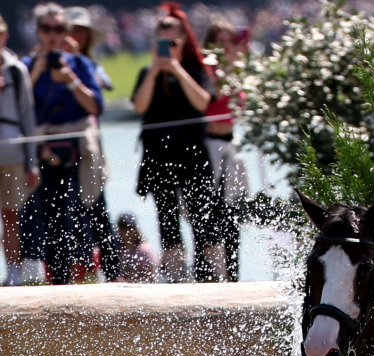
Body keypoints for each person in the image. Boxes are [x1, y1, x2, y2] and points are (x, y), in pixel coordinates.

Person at [131, 3, 224, 282]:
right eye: (162, 40)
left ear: (183, 40)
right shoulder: (147, 72)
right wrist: (156, 70)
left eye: (172, 41)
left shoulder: (196, 69)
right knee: (167, 221)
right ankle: (175, 279)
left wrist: (176, 68)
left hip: (193, 153)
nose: (167, 46)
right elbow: (140, 105)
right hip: (158, 155)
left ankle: (212, 277)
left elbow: (202, 102)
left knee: (203, 219)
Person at [22, 2, 102, 285]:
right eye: (47, 29)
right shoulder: (27, 66)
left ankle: (86, 272)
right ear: (39, 32)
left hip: (76, 151)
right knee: (41, 217)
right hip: (40, 151)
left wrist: (69, 79)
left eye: (59, 29)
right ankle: (51, 277)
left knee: (79, 213)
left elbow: (94, 105)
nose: (53, 35)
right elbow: (20, 108)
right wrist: (36, 70)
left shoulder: (79, 64)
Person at [63, 5, 119, 281]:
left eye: (81, 32)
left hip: (89, 146)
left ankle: (112, 272)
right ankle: (78, 271)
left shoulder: (90, 65)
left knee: (97, 205)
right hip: (60, 146)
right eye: (71, 31)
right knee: (67, 210)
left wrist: (77, 67)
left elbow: (104, 86)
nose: (76, 36)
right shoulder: (51, 63)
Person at [202, 18, 249, 282]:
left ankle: (233, 274)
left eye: (229, 41)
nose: (225, 46)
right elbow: (215, 96)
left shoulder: (236, 71)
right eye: (220, 41)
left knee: (232, 213)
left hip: (231, 144)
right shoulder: (207, 71)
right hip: (209, 145)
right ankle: (210, 272)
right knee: (211, 212)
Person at [0, 13, 39, 286]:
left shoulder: (15, 69)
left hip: (12, 149)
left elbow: (28, 116)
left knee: (12, 213)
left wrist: (32, 161)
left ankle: (14, 271)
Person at [116, 211, 158, 281]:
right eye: (121, 227)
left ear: (135, 230)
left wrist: (130, 276)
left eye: (127, 227)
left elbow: (151, 275)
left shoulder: (144, 250)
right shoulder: (116, 250)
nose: (124, 231)